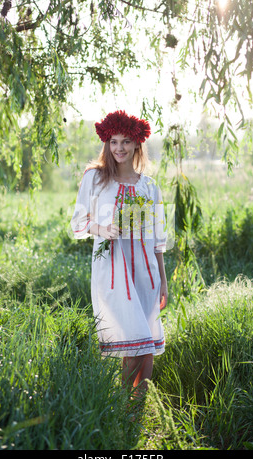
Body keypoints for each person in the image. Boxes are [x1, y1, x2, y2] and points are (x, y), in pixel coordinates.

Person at [71, 110, 168, 400]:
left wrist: (163, 281)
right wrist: (102, 228)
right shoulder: (95, 179)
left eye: (126, 141)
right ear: (106, 144)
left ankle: (137, 408)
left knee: (147, 341)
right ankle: (120, 404)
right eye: (113, 142)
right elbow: (77, 224)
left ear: (137, 144)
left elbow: (158, 240)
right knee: (134, 335)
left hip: (146, 272)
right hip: (112, 272)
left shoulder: (149, 186)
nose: (119, 148)